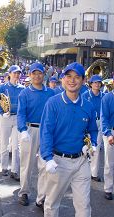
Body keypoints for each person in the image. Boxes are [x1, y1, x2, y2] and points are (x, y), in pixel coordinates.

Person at [40, 62, 98, 217]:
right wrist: (48, 158)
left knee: (84, 206)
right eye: (69, 76)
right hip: (58, 162)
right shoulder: (53, 103)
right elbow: (46, 131)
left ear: (83, 81)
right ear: (63, 80)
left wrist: (92, 144)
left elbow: (92, 130)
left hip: (81, 162)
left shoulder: (88, 106)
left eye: (77, 77)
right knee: (52, 204)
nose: (72, 80)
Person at [17, 63, 55, 208]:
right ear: (30, 75)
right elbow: (21, 113)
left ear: (44, 74)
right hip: (30, 130)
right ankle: (24, 192)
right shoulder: (25, 93)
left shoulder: (51, 93)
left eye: (40, 73)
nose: (37, 76)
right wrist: (22, 130)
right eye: (34, 73)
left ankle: (42, 197)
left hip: (46, 131)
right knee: (26, 163)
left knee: (45, 165)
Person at [0, 65, 24, 180]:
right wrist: (1, 113)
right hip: (5, 118)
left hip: (17, 119)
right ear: (9, 74)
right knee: (4, 143)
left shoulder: (22, 89)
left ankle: (15, 170)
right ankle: (4, 167)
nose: (17, 75)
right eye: (15, 73)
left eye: (18, 73)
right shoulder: (2, 88)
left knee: (16, 146)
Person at [82, 75, 104, 182]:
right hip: (87, 122)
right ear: (91, 84)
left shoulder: (103, 96)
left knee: (96, 147)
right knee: (86, 147)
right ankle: (83, 171)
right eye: (95, 82)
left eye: (99, 82)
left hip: (100, 122)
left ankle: (94, 173)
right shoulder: (85, 95)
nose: (97, 84)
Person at [101, 84, 114, 200]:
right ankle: (108, 189)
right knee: (110, 162)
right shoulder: (107, 98)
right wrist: (108, 133)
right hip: (111, 132)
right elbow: (103, 118)